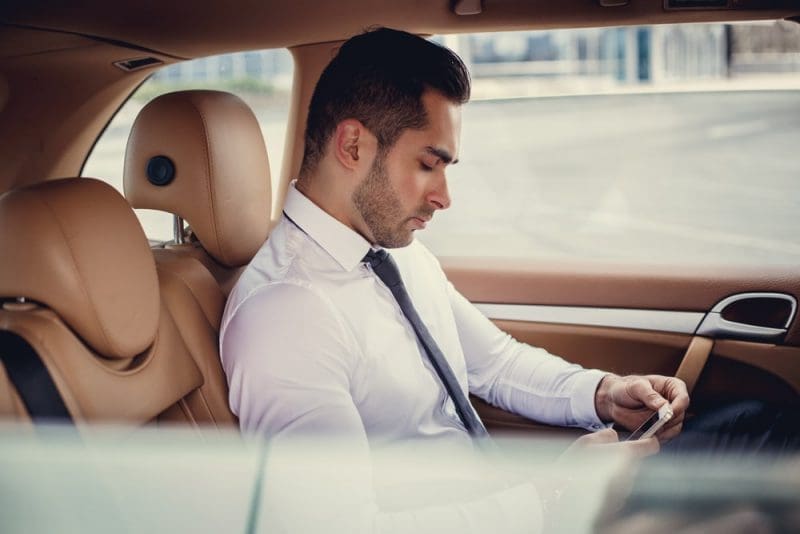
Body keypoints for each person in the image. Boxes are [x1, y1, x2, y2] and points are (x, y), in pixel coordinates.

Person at [217, 27, 723, 532]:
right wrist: (557, 495)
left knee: (745, 429)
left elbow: (495, 364)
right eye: (427, 164)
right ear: (352, 146)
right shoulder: (285, 314)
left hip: (502, 506)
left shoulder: (390, 251)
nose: (444, 197)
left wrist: (605, 394)